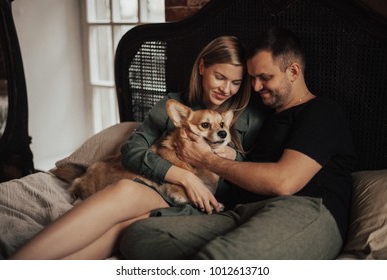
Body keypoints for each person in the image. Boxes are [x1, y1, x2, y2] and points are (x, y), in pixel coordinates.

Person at [9, 36, 263, 260]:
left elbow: (253, 178)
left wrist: (226, 158)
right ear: (202, 67)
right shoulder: (173, 105)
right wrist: (182, 175)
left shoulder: (246, 117)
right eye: (220, 77)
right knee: (124, 192)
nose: (226, 89)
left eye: (236, 82)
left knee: (126, 226)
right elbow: (132, 151)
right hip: (163, 190)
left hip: (204, 207)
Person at [119, 27, 357, 260]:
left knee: (221, 259)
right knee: (138, 236)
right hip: (242, 212)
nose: (255, 87)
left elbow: (284, 182)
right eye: (252, 79)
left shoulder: (321, 112)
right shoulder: (263, 119)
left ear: (293, 72)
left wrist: (205, 158)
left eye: (265, 77)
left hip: (303, 209)